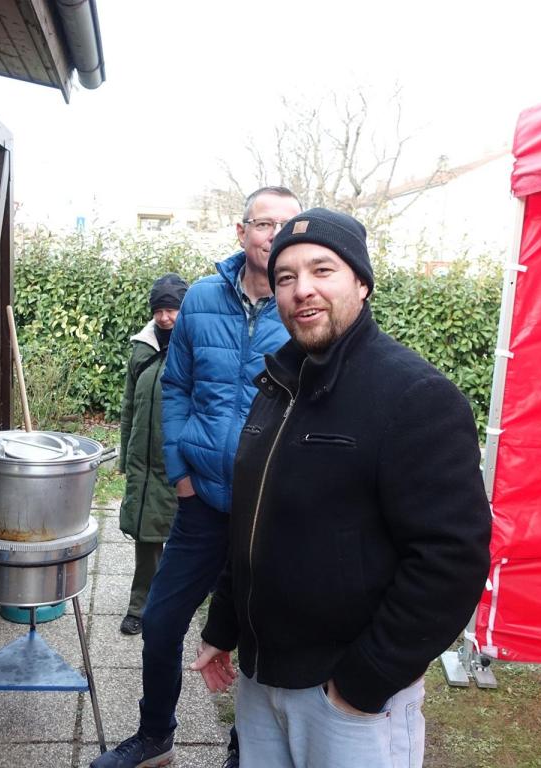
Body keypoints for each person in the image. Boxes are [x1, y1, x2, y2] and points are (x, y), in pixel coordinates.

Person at [192, 208, 492, 768]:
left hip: (348, 702)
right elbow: (252, 522)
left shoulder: (414, 396)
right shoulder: (277, 385)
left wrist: (363, 681)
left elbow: (452, 559)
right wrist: (224, 626)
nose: (302, 289)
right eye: (286, 277)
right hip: (261, 682)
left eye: (322, 270)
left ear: (362, 282)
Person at [91, 186, 302, 768]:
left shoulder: (303, 307)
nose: (275, 235)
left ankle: (245, 747)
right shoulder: (203, 298)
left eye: (287, 225)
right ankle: (155, 735)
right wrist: (181, 472)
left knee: (259, 631)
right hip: (202, 500)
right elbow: (177, 386)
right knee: (160, 621)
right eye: (264, 223)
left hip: (270, 510)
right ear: (242, 231)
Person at [117, 273, 189, 636]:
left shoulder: (193, 348)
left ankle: (174, 603)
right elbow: (129, 406)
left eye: (171, 309)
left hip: (177, 462)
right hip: (142, 462)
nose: (164, 317)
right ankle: (139, 607)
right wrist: (124, 455)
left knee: (181, 535)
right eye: (159, 310)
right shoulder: (141, 349)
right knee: (147, 536)